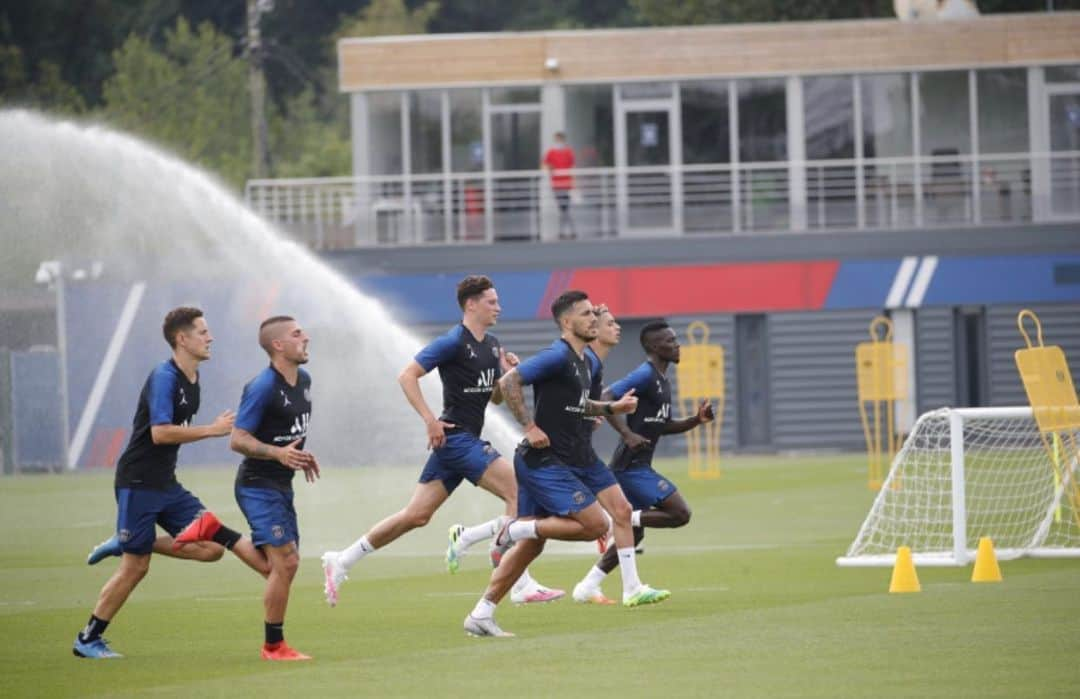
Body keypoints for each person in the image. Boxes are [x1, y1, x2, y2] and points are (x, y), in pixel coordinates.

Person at [322, 275, 561, 607]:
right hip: (457, 439)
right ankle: (519, 583)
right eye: (492, 302)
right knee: (518, 492)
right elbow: (407, 375)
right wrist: (429, 420)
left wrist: (505, 375)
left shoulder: (492, 345)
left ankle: (342, 559)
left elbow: (493, 400)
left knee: (416, 516)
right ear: (471, 304)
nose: (499, 307)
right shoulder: (452, 342)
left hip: (457, 444)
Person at [463, 290, 668, 638]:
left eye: (594, 314)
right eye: (587, 314)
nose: (594, 318)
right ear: (566, 321)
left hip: (580, 457)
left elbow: (581, 404)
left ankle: (481, 614)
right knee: (592, 526)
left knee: (618, 511)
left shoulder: (588, 361)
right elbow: (509, 382)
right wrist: (528, 426)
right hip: (545, 461)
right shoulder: (555, 355)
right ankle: (513, 531)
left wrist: (611, 409)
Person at [72, 307, 270, 659]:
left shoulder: (193, 380)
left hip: (166, 484)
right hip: (138, 481)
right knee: (137, 567)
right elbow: (160, 433)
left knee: (211, 548)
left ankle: (127, 539)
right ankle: (87, 639)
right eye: (202, 332)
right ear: (182, 339)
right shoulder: (164, 377)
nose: (210, 338)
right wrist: (212, 429)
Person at [571, 319, 715, 605]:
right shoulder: (645, 375)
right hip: (629, 469)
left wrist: (695, 421)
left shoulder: (662, 379)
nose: (677, 345)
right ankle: (621, 519)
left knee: (633, 538)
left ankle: (587, 586)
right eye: (670, 341)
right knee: (679, 513)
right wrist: (626, 432)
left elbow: (662, 425)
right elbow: (607, 397)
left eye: (676, 340)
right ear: (653, 347)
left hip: (637, 466)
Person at [227, 315, 320, 661]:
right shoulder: (262, 387)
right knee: (287, 563)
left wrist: (300, 456)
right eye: (297, 334)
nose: (306, 337)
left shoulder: (304, 380)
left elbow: (289, 433)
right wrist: (278, 453)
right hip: (256, 484)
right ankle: (273, 647)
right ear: (278, 345)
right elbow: (237, 439)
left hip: (281, 484)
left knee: (279, 567)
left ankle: (220, 534)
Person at [542, 131, 577, 240]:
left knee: (564, 208)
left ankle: (566, 232)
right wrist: (549, 167)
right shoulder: (551, 152)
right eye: (556, 140)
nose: (558, 142)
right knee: (563, 208)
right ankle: (569, 231)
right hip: (556, 184)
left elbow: (572, 165)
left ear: (563, 140)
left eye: (559, 140)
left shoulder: (568, 152)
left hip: (566, 184)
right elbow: (545, 164)